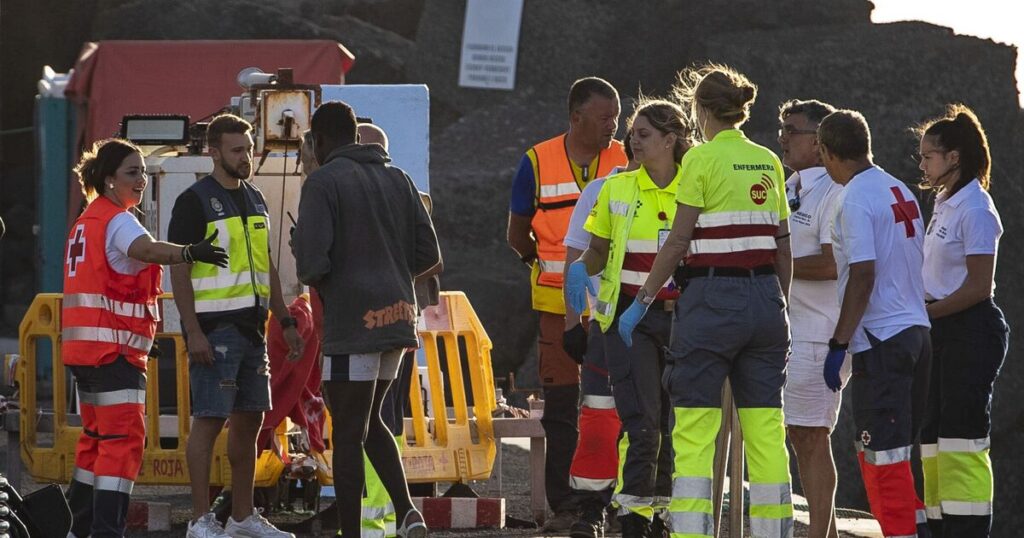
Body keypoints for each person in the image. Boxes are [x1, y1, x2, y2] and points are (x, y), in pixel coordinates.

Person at [625, 64, 795, 538]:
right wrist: (783, 310)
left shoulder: (699, 161)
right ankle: (774, 533)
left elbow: (678, 243)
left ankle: (693, 532)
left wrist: (642, 299)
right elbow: (782, 246)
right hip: (766, 300)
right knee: (765, 432)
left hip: (711, 301)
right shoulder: (768, 161)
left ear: (699, 109)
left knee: (696, 430)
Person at [62, 138, 228, 537]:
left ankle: (75, 527)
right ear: (107, 180)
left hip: (87, 352)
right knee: (122, 444)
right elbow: (148, 250)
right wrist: (190, 252)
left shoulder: (88, 221)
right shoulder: (118, 220)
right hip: (112, 355)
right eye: (131, 173)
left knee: (95, 442)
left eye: (142, 172)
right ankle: (105, 531)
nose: (141, 181)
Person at [292, 101, 441, 538]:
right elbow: (429, 255)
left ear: (318, 142)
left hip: (351, 324)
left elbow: (311, 267)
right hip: (397, 319)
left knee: (349, 432)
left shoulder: (322, 183)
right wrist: (389, 276)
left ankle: (351, 533)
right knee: (371, 417)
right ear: (356, 135)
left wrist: (303, 244)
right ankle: (407, 511)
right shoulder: (399, 179)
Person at [169, 114, 303, 538]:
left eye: (249, 149)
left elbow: (268, 267)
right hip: (215, 329)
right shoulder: (193, 201)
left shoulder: (257, 197)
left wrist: (285, 320)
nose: (247, 157)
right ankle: (199, 520)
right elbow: (178, 269)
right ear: (213, 152)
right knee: (209, 421)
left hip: (254, 329)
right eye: (237, 150)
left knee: (250, 422)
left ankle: (242, 518)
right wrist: (192, 331)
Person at [506, 76, 628, 530]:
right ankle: (566, 504)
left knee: (616, 405)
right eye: (604, 118)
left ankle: (614, 499)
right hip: (556, 305)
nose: (613, 127)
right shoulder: (536, 161)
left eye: (616, 118)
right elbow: (517, 234)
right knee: (561, 406)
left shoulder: (625, 157)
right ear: (576, 118)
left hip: (614, 303)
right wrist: (536, 264)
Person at [566, 99, 691, 537]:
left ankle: (662, 513)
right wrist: (583, 266)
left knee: (675, 424)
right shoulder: (617, 189)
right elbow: (598, 248)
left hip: (681, 318)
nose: (630, 140)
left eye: (642, 134)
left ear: (670, 140)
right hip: (628, 319)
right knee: (643, 421)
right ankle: (635, 518)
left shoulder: (695, 189)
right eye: (631, 133)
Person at [817, 110, 931, 538]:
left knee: (881, 456)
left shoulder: (853, 198)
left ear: (828, 153)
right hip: (917, 334)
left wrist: (838, 343)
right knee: (899, 457)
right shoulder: (897, 188)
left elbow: (863, 274)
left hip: (882, 340)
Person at [917, 105, 1008, 538]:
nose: (922, 164)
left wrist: (924, 315)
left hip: (969, 330)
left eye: (928, 155)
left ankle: (968, 529)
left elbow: (977, 287)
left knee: (963, 437)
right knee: (933, 434)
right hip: (940, 328)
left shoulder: (976, 208)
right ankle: (940, 524)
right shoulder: (944, 200)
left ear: (953, 157)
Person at [777, 99, 848, 538]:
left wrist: (772, 263)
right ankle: (828, 531)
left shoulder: (836, 192)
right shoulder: (790, 184)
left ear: (819, 141)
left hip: (820, 334)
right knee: (801, 435)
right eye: (781, 128)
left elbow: (833, 264)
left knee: (810, 436)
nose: (782, 137)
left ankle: (819, 534)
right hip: (791, 329)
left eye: (792, 130)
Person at [561, 134, 636, 538]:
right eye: (635, 136)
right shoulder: (601, 190)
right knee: (598, 418)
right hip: (606, 327)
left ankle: (642, 509)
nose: (637, 146)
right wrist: (573, 322)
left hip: (657, 326)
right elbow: (575, 255)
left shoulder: (684, 186)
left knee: (648, 420)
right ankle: (592, 507)